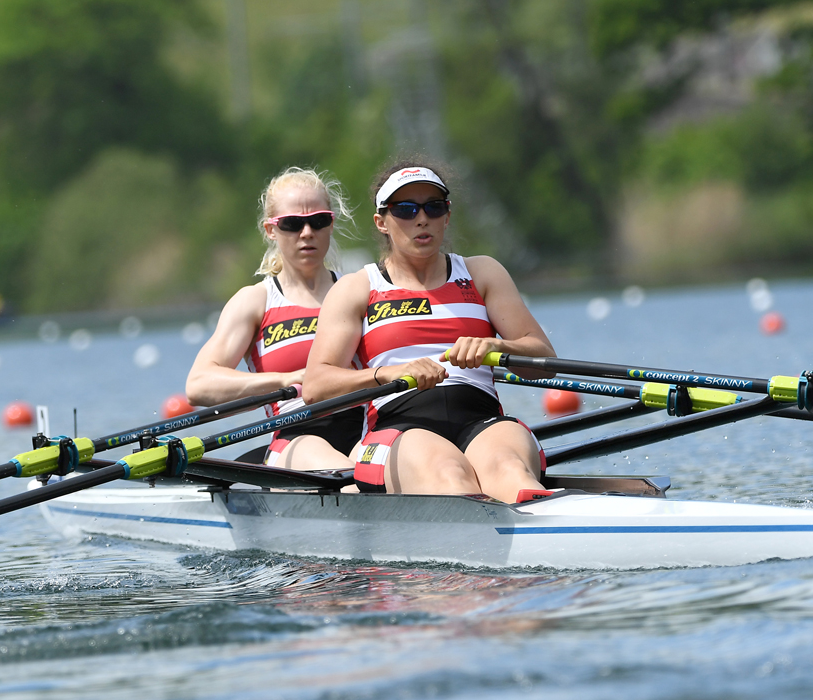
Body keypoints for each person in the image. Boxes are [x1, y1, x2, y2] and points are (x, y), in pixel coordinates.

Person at [302, 160, 557, 502]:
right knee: (449, 475)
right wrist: (389, 373)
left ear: (447, 216)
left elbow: (545, 359)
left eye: (433, 207)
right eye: (405, 210)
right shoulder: (357, 288)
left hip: (481, 421)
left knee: (510, 471)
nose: (421, 219)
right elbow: (316, 387)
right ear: (382, 222)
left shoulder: (482, 273)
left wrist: (496, 345)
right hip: (396, 426)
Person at [186, 168, 366, 470]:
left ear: (331, 224)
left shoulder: (361, 290)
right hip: (297, 437)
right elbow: (199, 384)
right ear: (271, 229)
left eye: (318, 221)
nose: (307, 232)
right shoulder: (256, 301)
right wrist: (286, 379)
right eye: (292, 224)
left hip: (366, 431)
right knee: (351, 476)